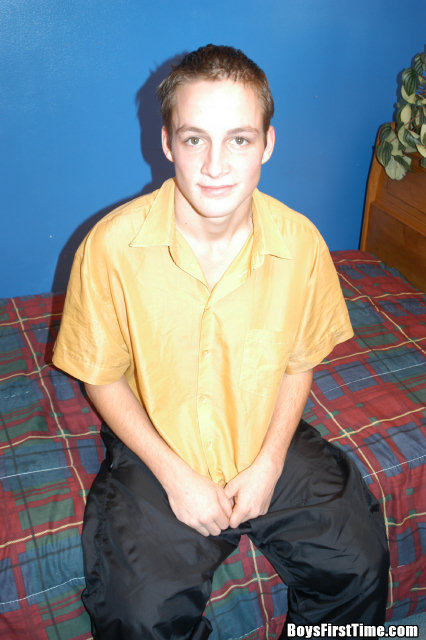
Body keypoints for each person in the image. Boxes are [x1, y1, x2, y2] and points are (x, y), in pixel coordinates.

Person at [52, 44, 389, 639]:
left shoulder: (302, 244)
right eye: (194, 139)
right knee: (140, 616)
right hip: (157, 443)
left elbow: (298, 362)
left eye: (238, 139)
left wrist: (269, 463)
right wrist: (176, 477)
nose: (215, 165)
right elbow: (99, 375)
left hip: (264, 432)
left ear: (267, 144)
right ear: (167, 143)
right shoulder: (109, 247)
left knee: (357, 561)